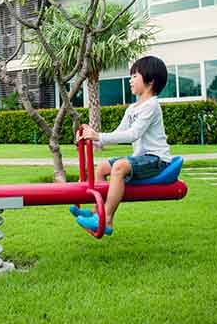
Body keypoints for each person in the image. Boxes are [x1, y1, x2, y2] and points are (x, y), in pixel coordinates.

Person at [72, 56, 172, 236]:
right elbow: (120, 133)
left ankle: (107, 219)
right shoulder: (132, 108)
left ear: (150, 81)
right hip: (142, 158)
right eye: (131, 76)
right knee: (102, 168)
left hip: (157, 160)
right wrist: (93, 136)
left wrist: (98, 136)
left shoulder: (151, 106)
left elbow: (134, 134)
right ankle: (97, 212)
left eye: (135, 76)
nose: (130, 80)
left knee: (119, 167)